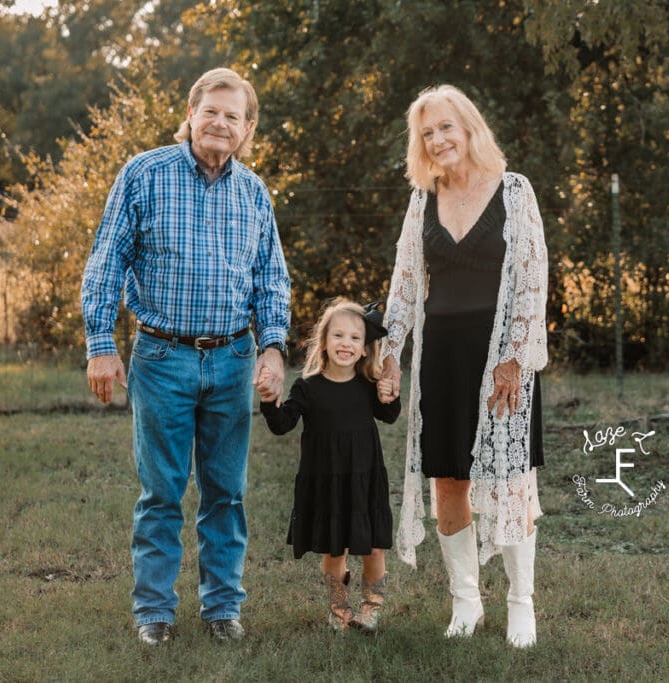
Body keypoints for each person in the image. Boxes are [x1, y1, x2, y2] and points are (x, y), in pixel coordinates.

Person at [81, 68, 291, 646]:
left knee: (227, 493)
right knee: (162, 492)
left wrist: (272, 348)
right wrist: (102, 345)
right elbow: (106, 261)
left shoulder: (253, 191)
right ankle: (155, 614)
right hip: (162, 358)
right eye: (211, 111)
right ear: (191, 114)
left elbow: (271, 280)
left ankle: (222, 609)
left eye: (234, 116)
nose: (221, 123)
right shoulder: (145, 174)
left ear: (246, 129)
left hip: (231, 360)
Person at [379, 85, 548, 647]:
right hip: (442, 358)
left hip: (499, 358)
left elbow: (531, 280)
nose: (437, 139)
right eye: (427, 133)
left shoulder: (515, 191)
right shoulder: (422, 199)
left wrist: (513, 361)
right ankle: (466, 604)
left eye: (445, 127)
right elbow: (405, 284)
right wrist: (390, 353)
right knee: (448, 481)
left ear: (469, 127)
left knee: (511, 478)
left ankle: (521, 604)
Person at [258, 299, 401, 632]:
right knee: (335, 550)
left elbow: (390, 416)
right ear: (323, 341)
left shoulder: (368, 386)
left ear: (365, 348)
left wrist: (389, 395)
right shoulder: (307, 387)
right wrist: (269, 401)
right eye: (338, 335)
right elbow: (282, 424)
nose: (346, 344)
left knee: (374, 547)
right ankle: (339, 609)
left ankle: (371, 607)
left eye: (354, 338)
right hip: (327, 480)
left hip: (364, 478)